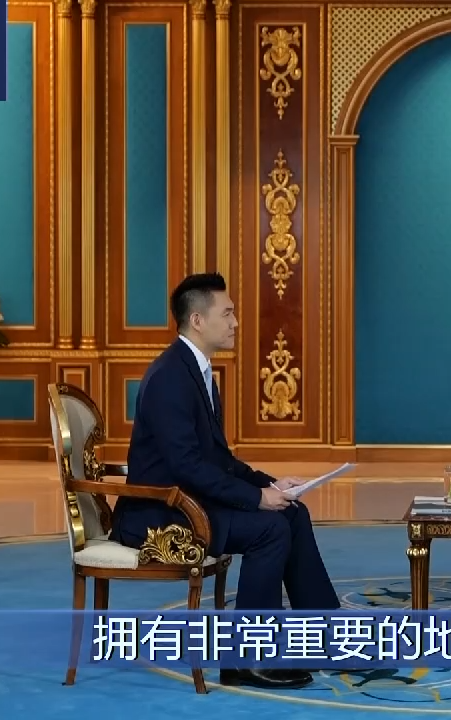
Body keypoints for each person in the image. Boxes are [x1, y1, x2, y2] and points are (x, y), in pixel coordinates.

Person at [110, 273, 340, 690]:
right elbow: (186, 466)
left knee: (292, 512)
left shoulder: (197, 372)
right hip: (160, 513)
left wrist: (272, 485)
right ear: (197, 320)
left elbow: (219, 461)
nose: (235, 322)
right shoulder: (169, 377)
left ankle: (328, 637)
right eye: (228, 313)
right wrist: (256, 498)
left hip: (188, 503)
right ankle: (245, 660)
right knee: (270, 529)